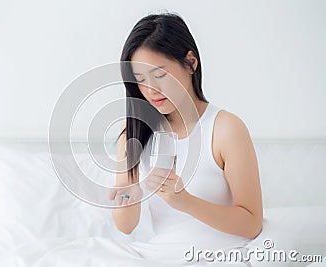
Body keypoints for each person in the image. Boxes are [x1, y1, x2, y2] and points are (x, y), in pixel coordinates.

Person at [108, 12, 263, 254]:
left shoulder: (225, 128)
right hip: (162, 253)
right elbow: (125, 227)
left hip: (221, 254)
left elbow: (252, 223)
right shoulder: (134, 132)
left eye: (160, 75)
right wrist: (130, 195)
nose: (151, 90)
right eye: (140, 80)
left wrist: (185, 202)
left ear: (191, 62)